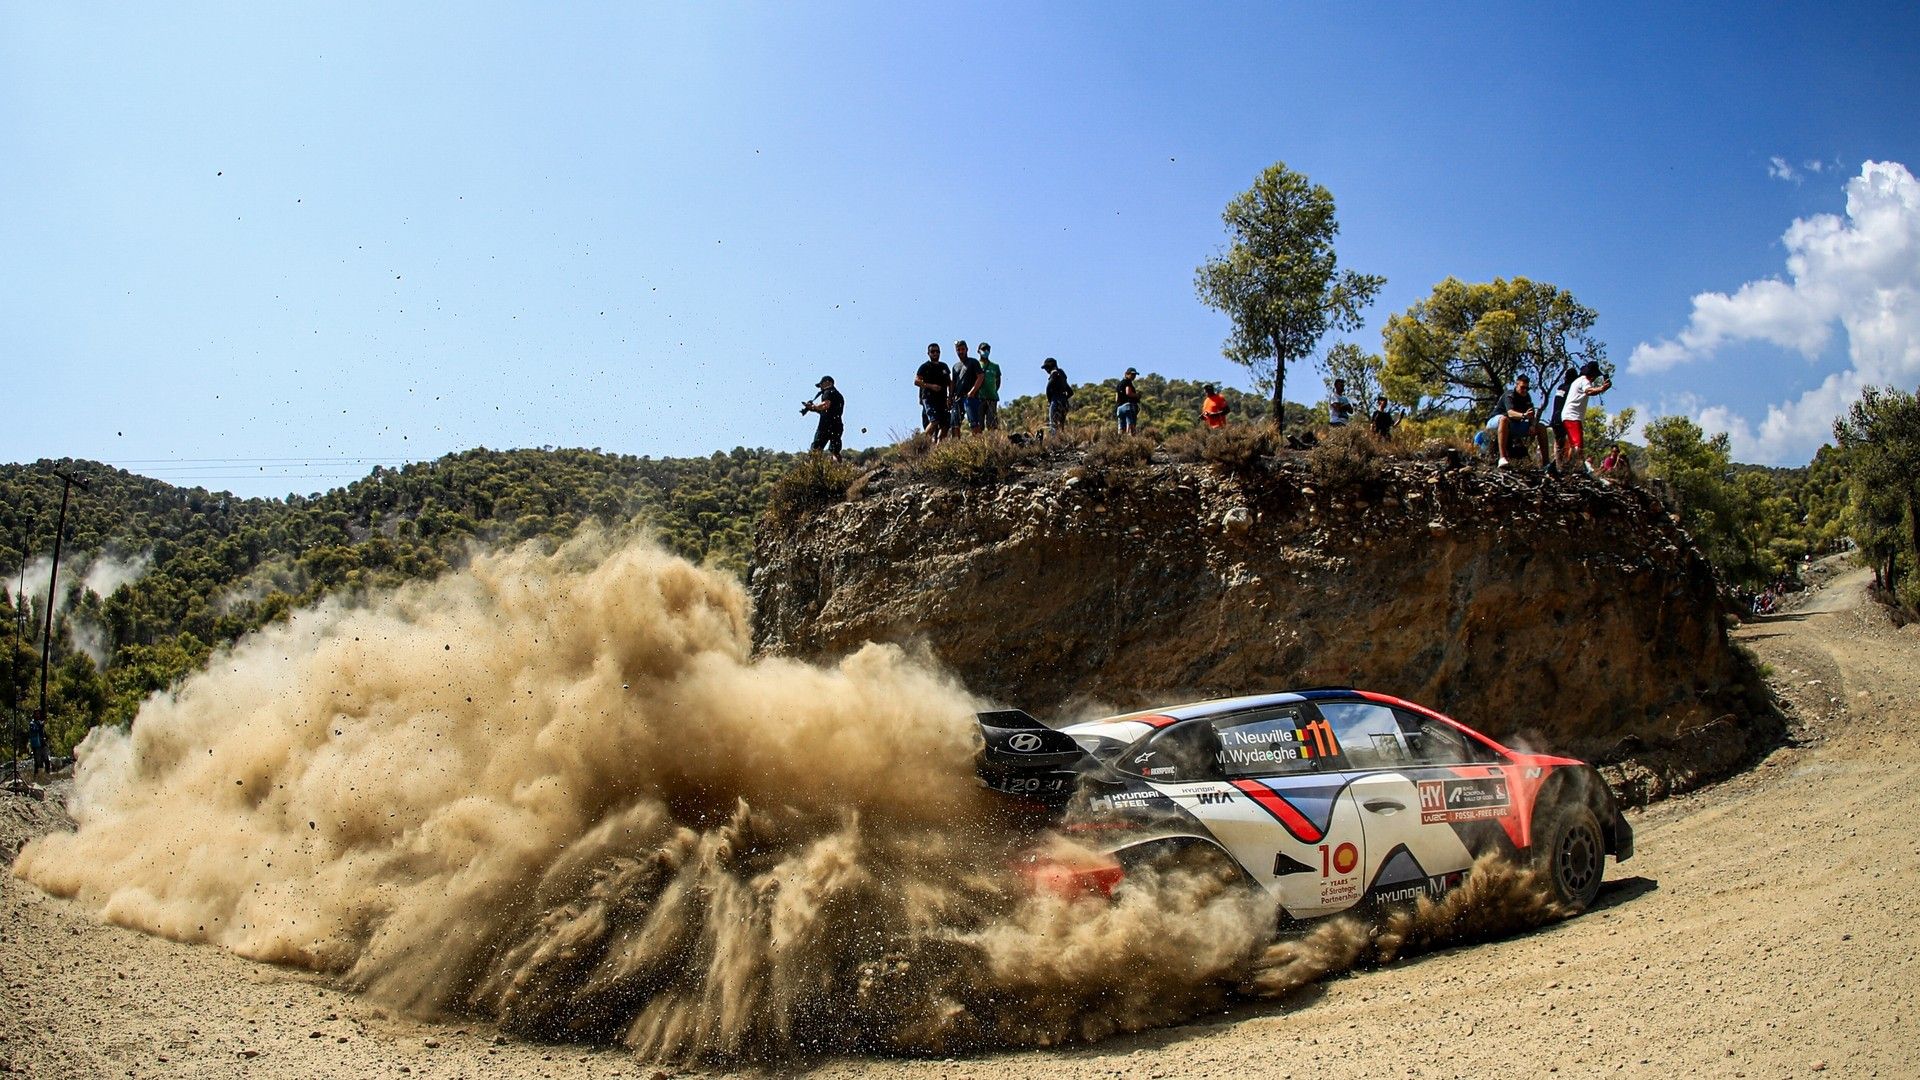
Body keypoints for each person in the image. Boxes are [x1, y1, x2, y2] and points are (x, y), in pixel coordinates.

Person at [1560, 361, 1613, 475]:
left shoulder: (1579, 381)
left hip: (1570, 416)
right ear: (1593, 375)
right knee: (1578, 445)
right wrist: (1602, 388)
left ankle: (1567, 467)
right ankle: (1578, 468)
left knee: (1572, 445)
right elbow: (1589, 391)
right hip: (1572, 416)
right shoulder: (1584, 381)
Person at [1494, 374, 1549, 469]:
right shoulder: (1509, 395)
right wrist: (1524, 415)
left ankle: (1546, 464)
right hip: (1497, 422)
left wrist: (1532, 425)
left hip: (1514, 425)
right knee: (1504, 419)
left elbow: (1531, 415)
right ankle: (1502, 458)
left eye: (1527, 388)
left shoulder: (1527, 397)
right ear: (1516, 385)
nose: (1525, 390)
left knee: (1541, 427)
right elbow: (1510, 413)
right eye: (1523, 387)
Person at [802, 375, 845, 461]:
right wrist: (813, 409)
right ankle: (839, 470)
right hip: (837, 425)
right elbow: (828, 410)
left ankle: (814, 470)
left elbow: (825, 405)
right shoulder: (838, 395)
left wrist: (813, 407)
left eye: (821, 384)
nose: (820, 387)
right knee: (835, 450)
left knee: (816, 450)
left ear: (828, 382)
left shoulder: (828, 392)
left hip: (825, 426)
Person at [1543, 366, 1579, 469]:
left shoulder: (1560, 388)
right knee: (1572, 442)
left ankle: (1558, 463)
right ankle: (1565, 465)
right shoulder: (1572, 389)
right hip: (1564, 418)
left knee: (1559, 442)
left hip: (1555, 418)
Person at [915, 343, 952, 439]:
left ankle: (938, 448)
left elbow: (950, 383)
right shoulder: (925, 367)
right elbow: (917, 381)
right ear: (928, 353)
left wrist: (950, 397)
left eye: (937, 351)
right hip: (929, 398)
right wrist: (931, 386)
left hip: (942, 399)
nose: (935, 353)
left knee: (945, 424)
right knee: (934, 421)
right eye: (932, 352)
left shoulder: (944, 366)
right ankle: (922, 444)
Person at [954, 340, 985, 435]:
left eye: (962, 349)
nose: (961, 351)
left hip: (971, 397)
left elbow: (981, 376)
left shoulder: (973, 362)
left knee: (974, 423)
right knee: (954, 424)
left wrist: (972, 391)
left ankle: (980, 445)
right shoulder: (955, 366)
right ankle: (955, 447)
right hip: (958, 398)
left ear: (967, 349)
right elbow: (953, 383)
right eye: (958, 350)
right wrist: (951, 396)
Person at [1042, 357, 1072, 432]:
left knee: (1054, 427)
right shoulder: (1062, 377)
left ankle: (1055, 441)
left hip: (1055, 401)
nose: (1046, 370)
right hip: (1064, 403)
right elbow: (1071, 392)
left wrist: (1050, 401)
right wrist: (1063, 399)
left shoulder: (1054, 373)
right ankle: (1060, 440)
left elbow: (1048, 388)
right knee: (1060, 427)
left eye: (1046, 368)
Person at [978, 342, 1002, 430]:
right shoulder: (976, 364)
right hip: (979, 398)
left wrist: (993, 390)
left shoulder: (995, 366)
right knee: (978, 424)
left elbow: (998, 381)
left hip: (992, 398)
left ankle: (993, 442)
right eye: (984, 349)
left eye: (988, 349)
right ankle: (979, 443)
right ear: (979, 351)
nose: (986, 351)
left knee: (992, 424)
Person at [1116, 367, 1142, 434]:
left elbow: (1116, 399)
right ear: (1126, 374)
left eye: (1135, 375)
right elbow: (1128, 393)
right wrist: (1137, 395)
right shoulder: (1128, 382)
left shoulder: (1119, 385)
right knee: (1130, 424)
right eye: (1132, 374)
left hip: (1119, 408)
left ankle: (1121, 440)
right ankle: (1130, 439)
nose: (1134, 376)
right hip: (1128, 406)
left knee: (1121, 427)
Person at [27, 709, 50, 779]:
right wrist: (41, 725)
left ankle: (47, 775)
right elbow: (35, 730)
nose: (38, 715)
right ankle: (36, 776)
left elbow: (43, 733)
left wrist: (46, 738)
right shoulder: (32, 723)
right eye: (36, 714)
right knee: (37, 762)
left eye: (38, 714)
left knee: (47, 760)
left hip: (43, 744)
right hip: (37, 745)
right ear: (34, 715)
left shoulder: (40, 722)